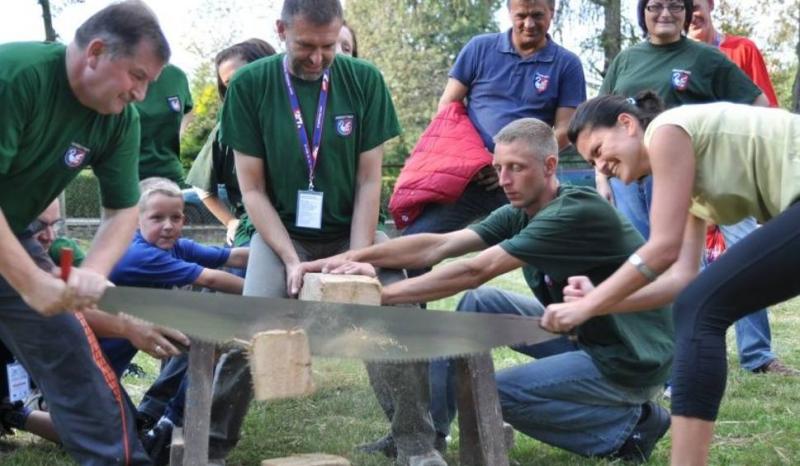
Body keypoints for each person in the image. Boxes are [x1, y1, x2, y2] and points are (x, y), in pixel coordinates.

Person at [297, 118, 674, 463]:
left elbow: (476, 269)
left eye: (516, 168)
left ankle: (630, 428)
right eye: (498, 168)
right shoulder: (521, 211)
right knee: (478, 305)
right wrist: (348, 258)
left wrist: (378, 296)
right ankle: (430, 438)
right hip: (583, 331)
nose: (504, 179)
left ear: (549, 166)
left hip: (629, 356)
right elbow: (439, 245)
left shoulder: (571, 212)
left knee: (488, 392)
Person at [213, 1, 440, 465]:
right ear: (281, 31)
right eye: (305, 46)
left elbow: (369, 181)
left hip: (353, 233)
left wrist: (356, 259)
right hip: (282, 235)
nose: (317, 58)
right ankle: (210, 442)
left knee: (400, 317)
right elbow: (251, 190)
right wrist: (289, 259)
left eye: (328, 46)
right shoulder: (250, 85)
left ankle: (416, 446)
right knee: (252, 327)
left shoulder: (364, 80)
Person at [549, 93, 800, 465]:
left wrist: (588, 305)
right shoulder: (689, 175)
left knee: (701, 309)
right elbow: (682, 278)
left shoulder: (666, 131)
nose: (601, 167)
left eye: (599, 150)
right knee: (696, 303)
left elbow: (662, 248)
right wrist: (601, 303)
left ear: (627, 124)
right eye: (592, 162)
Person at [0, 1, 169, 463]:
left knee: (67, 345)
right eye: (136, 76)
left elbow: (123, 208)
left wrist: (91, 273)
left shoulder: (119, 120)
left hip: (9, 232)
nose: (140, 93)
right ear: (96, 52)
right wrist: (32, 283)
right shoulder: (15, 77)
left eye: (149, 83)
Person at [398, 0, 586, 279]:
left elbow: (565, 130)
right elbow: (448, 107)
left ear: (552, 13)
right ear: (509, 12)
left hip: (528, 184)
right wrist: (476, 161)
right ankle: (405, 305)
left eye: (537, 15)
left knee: (554, 259)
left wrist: (511, 164)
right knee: (413, 246)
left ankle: (567, 306)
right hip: (468, 178)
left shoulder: (566, 64)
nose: (529, 24)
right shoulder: (479, 48)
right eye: (521, 15)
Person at [103, 177, 247, 465]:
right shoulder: (140, 254)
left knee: (207, 337)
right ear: (136, 220)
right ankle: (20, 414)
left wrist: (288, 262)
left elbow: (232, 257)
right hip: (90, 362)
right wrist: (268, 294)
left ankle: (170, 421)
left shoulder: (175, 246)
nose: (168, 225)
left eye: (176, 217)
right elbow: (210, 278)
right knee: (118, 441)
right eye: (157, 218)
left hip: (113, 361)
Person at [595, 0, 768, 236]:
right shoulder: (625, 60)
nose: (665, 13)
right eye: (656, 6)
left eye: (675, 6)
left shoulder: (706, 57)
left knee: (681, 253)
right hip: (626, 181)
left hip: (679, 175)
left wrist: (728, 154)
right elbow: (600, 122)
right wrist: (601, 178)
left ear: (686, 12)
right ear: (643, 11)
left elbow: (759, 104)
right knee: (637, 252)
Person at [686, 0, 794, 376]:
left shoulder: (740, 50)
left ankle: (757, 353)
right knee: (690, 264)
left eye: (698, 4)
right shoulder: (673, 57)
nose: (692, 12)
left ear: (711, 5)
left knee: (748, 254)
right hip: (686, 176)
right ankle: (692, 349)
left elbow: (767, 109)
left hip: (736, 173)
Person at [186, 39, 276, 247]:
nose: (238, 87)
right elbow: (201, 186)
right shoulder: (227, 129)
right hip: (255, 231)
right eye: (229, 83)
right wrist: (230, 222)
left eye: (242, 76)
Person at [135, 63, 194, 183]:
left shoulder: (176, 75)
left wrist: (179, 134)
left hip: (171, 175)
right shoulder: (117, 72)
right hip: (126, 176)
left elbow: (189, 110)